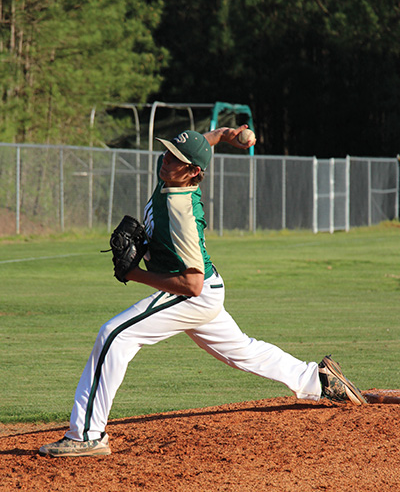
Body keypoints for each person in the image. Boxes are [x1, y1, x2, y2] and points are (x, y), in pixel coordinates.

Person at [39, 126, 366, 457]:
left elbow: (191, 284)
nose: (165, 160)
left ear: (193, 171)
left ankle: (87, 435)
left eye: (175, 159)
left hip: (193, 294)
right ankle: (317, 380)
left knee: (114, 335)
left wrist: (135, 274)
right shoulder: (174, 177)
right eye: (167, 153)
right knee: (243, 351)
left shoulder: (182, 212)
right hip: (207, 291)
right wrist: (228, 134)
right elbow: (204, 142)